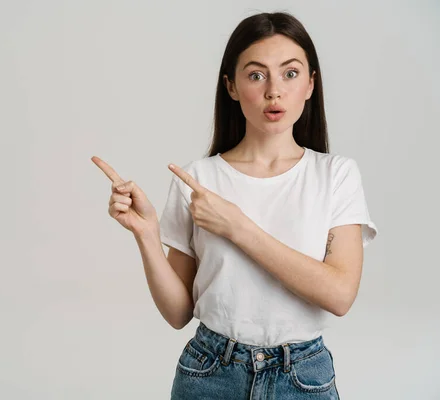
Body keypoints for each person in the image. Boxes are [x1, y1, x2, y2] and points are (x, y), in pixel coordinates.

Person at [92, 11, 377, 399]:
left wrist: (238, 228)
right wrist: (147, 235)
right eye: (256, 75)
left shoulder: (335, 175)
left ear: (311, 84)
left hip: (303, 377)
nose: (273, 91)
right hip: (209, 372)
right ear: (231, 86)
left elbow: (340, 294)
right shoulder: (198, 180)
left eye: (290, 74)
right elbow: (178, 313)